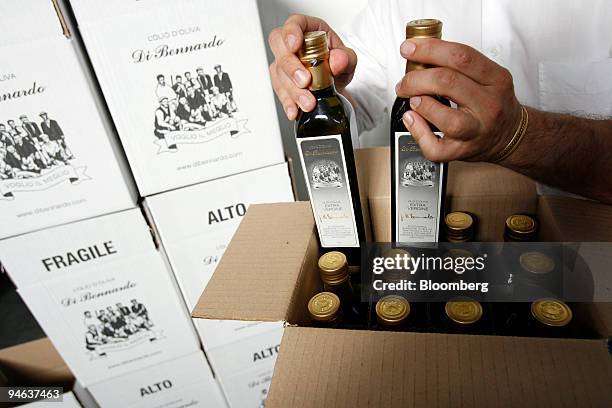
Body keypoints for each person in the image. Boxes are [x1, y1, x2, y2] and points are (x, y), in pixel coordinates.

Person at [267, 3, 612, 204]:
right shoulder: (390, 6)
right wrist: (321, 84)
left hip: (586, 268)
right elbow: (357, 92)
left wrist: (520, 136)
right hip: (435, 249)